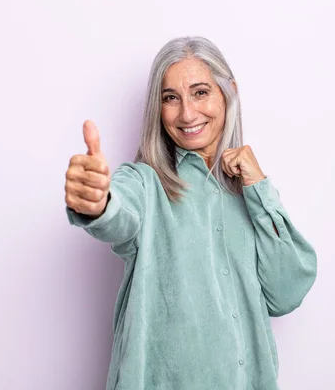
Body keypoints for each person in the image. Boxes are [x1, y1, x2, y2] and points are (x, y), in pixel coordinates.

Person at [64, 36, 317, 390]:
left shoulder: (251, 191)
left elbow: (286, 293)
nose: (187, 113)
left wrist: (259, 188)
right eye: (171, 98)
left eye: (200, 92)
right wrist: (96, 203)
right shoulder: (144, 182)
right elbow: (120, 213)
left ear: (228, 93)